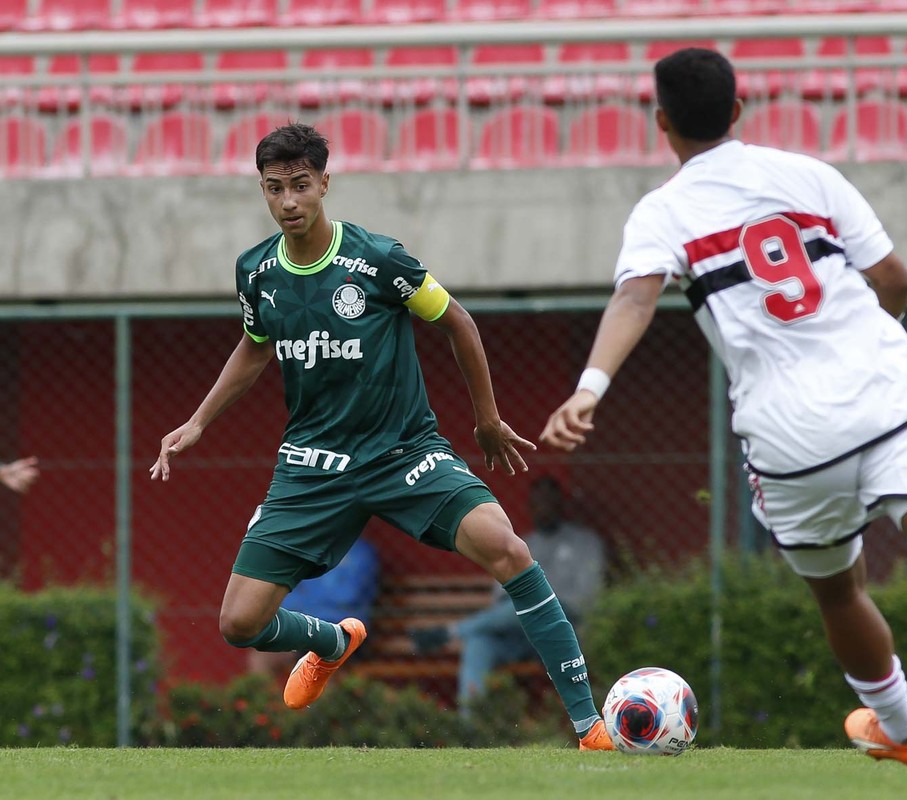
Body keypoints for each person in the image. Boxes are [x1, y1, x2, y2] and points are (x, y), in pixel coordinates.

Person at [539, 48, 907, 769]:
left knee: (840, 592)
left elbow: (635, 297)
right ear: (739, 109)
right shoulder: (808, 174)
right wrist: (868, 345)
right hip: (886, 391)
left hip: (791, 436)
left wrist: (587, 390)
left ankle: (902, 731)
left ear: (661, 122)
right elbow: (894, 278)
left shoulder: (664, 211)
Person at [150, 123, 614, 751]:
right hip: (312, 465)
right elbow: (255, 349)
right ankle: (332, 642)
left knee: (507, 550)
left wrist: (485, 419)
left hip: (405, 453)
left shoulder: (378, 260)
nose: (288, 201)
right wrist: (198, 421)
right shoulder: (257, 271)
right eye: (274, 188)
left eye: (300, 186)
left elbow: (459, 322)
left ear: (325, 184)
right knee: (239, 622)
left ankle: (590, 727)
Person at [411, 475, 606, 715]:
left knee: (531, 602)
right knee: (478, 642)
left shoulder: (585, 542)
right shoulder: (520, 544)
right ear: (530, 508)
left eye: (549, 502)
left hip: (565, 631)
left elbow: (585, 600)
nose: (543, 508)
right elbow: (500, 598)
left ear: (560, 504)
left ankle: (450, 632)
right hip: (520, 632)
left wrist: (538, 603)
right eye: (537, 503)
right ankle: (470, 728)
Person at [246, 537, 379, 677]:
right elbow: (290, 597)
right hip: (305, 627)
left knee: (321, 665)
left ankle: (325, 699)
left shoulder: (361, 553)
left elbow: (350, 595)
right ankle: (270, 699)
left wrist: (310, 602)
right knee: (260, 659)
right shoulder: (307, 549)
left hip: (341, 629)